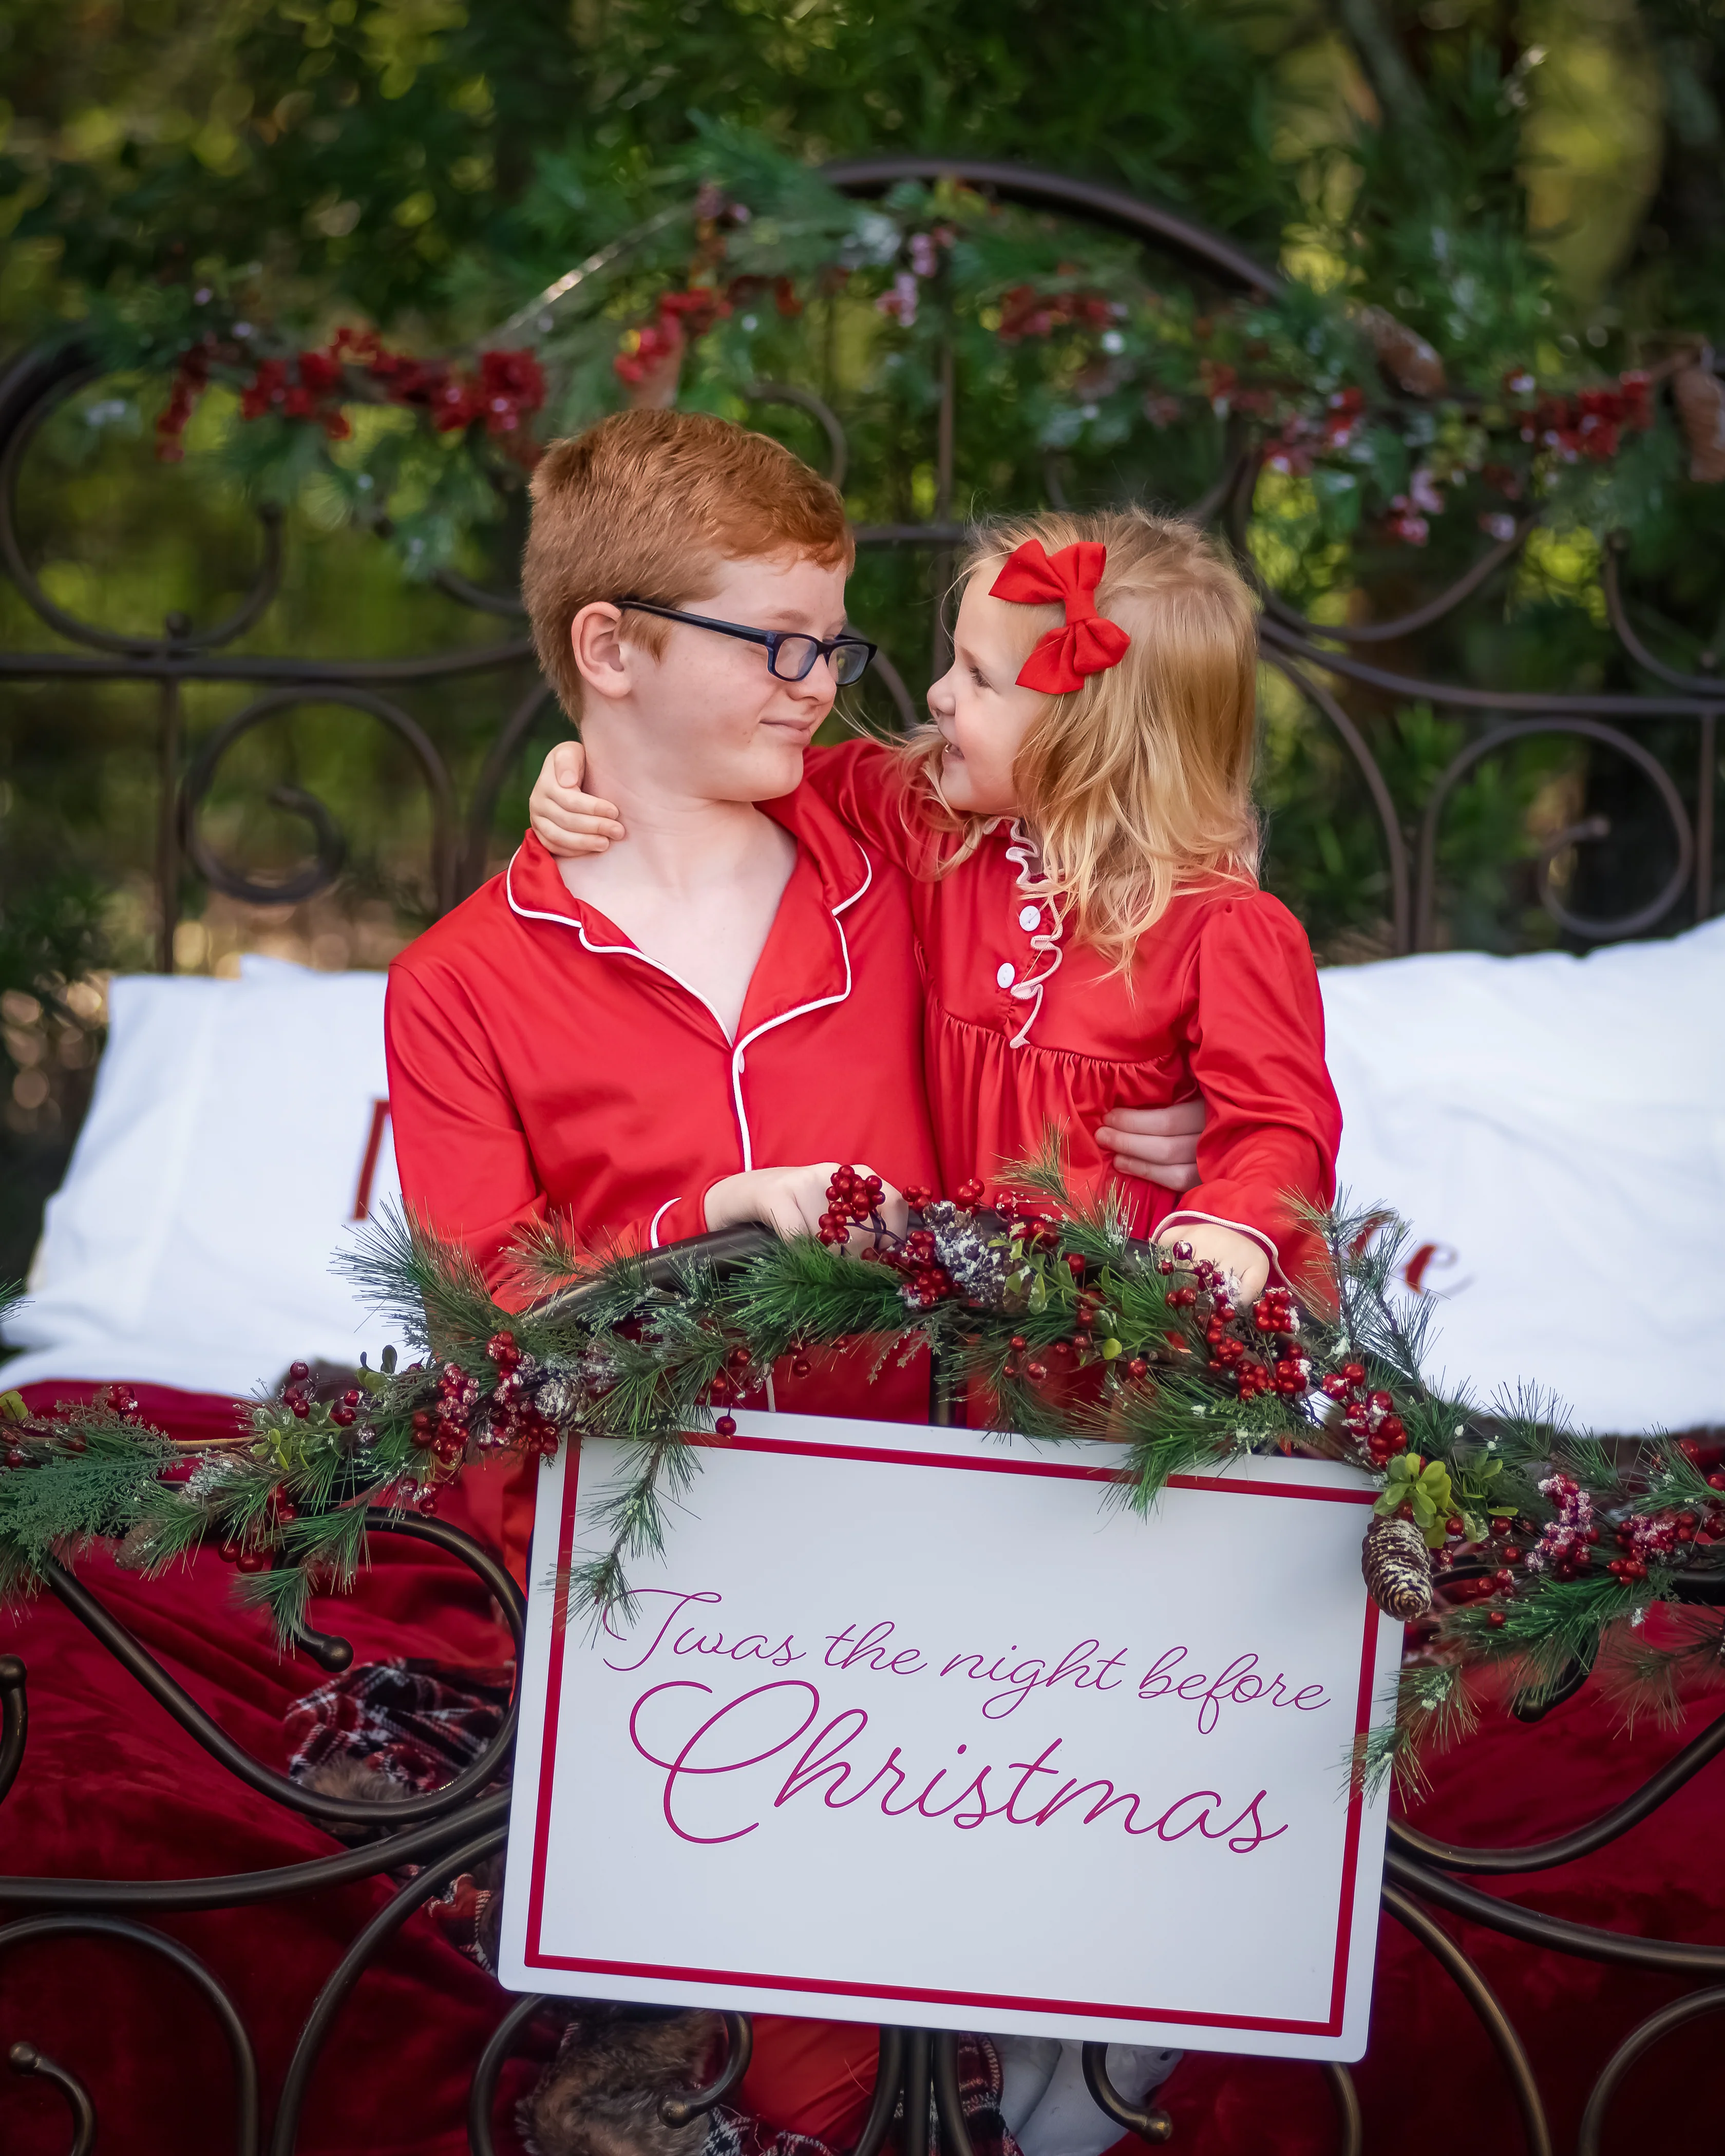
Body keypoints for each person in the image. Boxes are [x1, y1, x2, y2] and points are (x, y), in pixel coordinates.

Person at [385, 411, 1201, 2152]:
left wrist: (1178, 1078)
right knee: (804, 2065)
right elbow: (488, 1328)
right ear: (607, 647)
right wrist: (711, 1217)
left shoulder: (891, 837)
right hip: (677, 1584)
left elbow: (1115, 799)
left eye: (833, 637)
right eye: (775, 641)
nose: (821, 680)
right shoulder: (461, 983)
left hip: (978, 1517)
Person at [530, 506, 1340, 1303]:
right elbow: (755, 776)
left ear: (1090, 735)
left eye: (978, 679)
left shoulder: (1222, 928)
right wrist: (590, 765)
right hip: (979, 1330)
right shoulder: (934, 827)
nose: (938, 694)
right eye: (954, 662)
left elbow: (1281, 1123)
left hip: (1141, 1324)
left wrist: (1231, 1223)